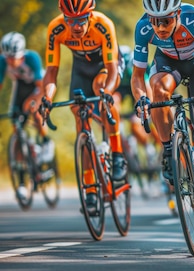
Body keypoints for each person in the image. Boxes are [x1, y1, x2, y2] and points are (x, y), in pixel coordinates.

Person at [132, 0, 194, 213]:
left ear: (177, 14)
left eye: (166, 21)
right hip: (168, 63)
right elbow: (138, 76)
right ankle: (169, 151)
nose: (160, 28)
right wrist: (141, 99)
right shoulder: (142, 28)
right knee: (157, 92)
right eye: (155, 22)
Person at [42, 0, 127, 210]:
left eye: (81, 20)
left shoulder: (103, 24)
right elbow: (51, 72)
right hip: (80, 70)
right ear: (64, 17)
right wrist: (47, 99)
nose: (76, 26)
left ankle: (117, 155)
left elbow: (112, 68)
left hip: (107, 67)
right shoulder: (56, 28)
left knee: (101, 89)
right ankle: (90, 189)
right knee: (80, 118)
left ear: (90, 15)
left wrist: (107, 93)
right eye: (71, 21)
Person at [0, 32, 49, 198]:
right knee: (17, 127)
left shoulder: (32, 58)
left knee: (35, 112)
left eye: (15, 58)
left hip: (37, 87)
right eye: (8, 58)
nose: (11, 61)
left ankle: (45, 142)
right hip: (20, 88)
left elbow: (41, 87)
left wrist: (32, 102)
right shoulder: (2, 61)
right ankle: (22, 181)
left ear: (21, 54)